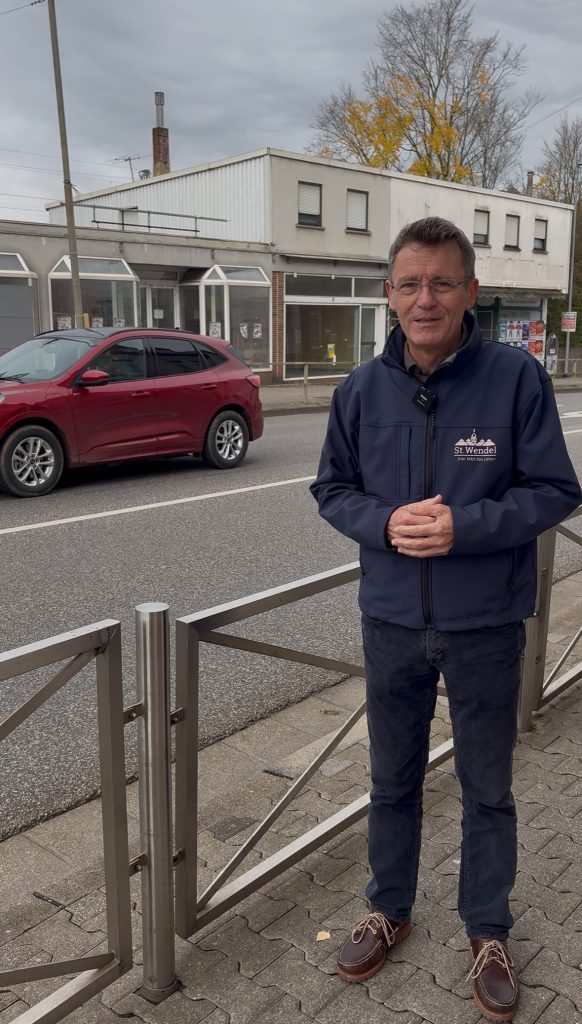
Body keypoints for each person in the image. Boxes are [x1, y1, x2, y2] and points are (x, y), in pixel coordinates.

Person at [310, 217, 582, 1023]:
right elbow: (333, 490)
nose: (424, 298)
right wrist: (384, 523)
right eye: (408, 283)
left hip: (486, 624)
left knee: (486, 788)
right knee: (389, 782)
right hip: (390, 619)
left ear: (469, 292)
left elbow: (556, 490)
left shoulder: (516, 380)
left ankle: (488, 931)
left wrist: (468, 527)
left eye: (441, 283)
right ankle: (388, 908)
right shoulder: (358, 391)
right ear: (389, 295)